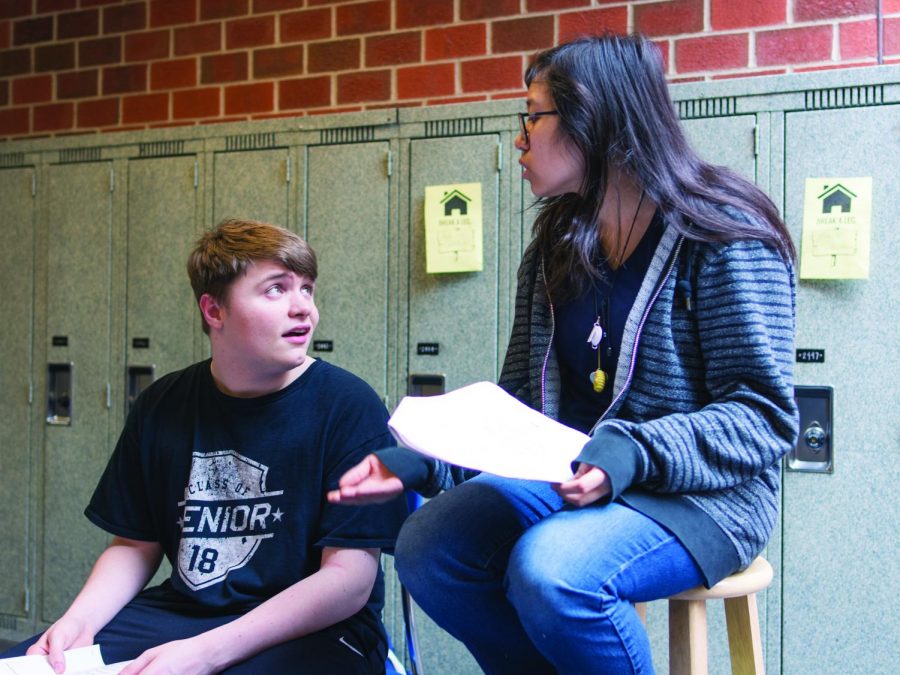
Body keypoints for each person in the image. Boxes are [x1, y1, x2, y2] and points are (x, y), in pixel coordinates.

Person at [328, 33, 798, 674]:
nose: (519, 139)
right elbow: (518, 414)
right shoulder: (557, 244)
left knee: (552, 571)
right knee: (430, 545)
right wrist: (424, 461)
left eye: (532, 116)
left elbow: (764, 415)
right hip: (572, 480)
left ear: (594, 121)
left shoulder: (723, 234)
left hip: (700, 496)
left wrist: (635, 452)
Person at [3, 219, 408, 674]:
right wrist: (78, 621)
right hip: (186, 613)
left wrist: (206, 652)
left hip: (317, 629)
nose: (304, 310)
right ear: (214, 311)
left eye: (307, 289)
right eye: (276, 289)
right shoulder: (163, 403)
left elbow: (348, 581)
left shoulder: (349, 406)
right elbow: (135, 545)